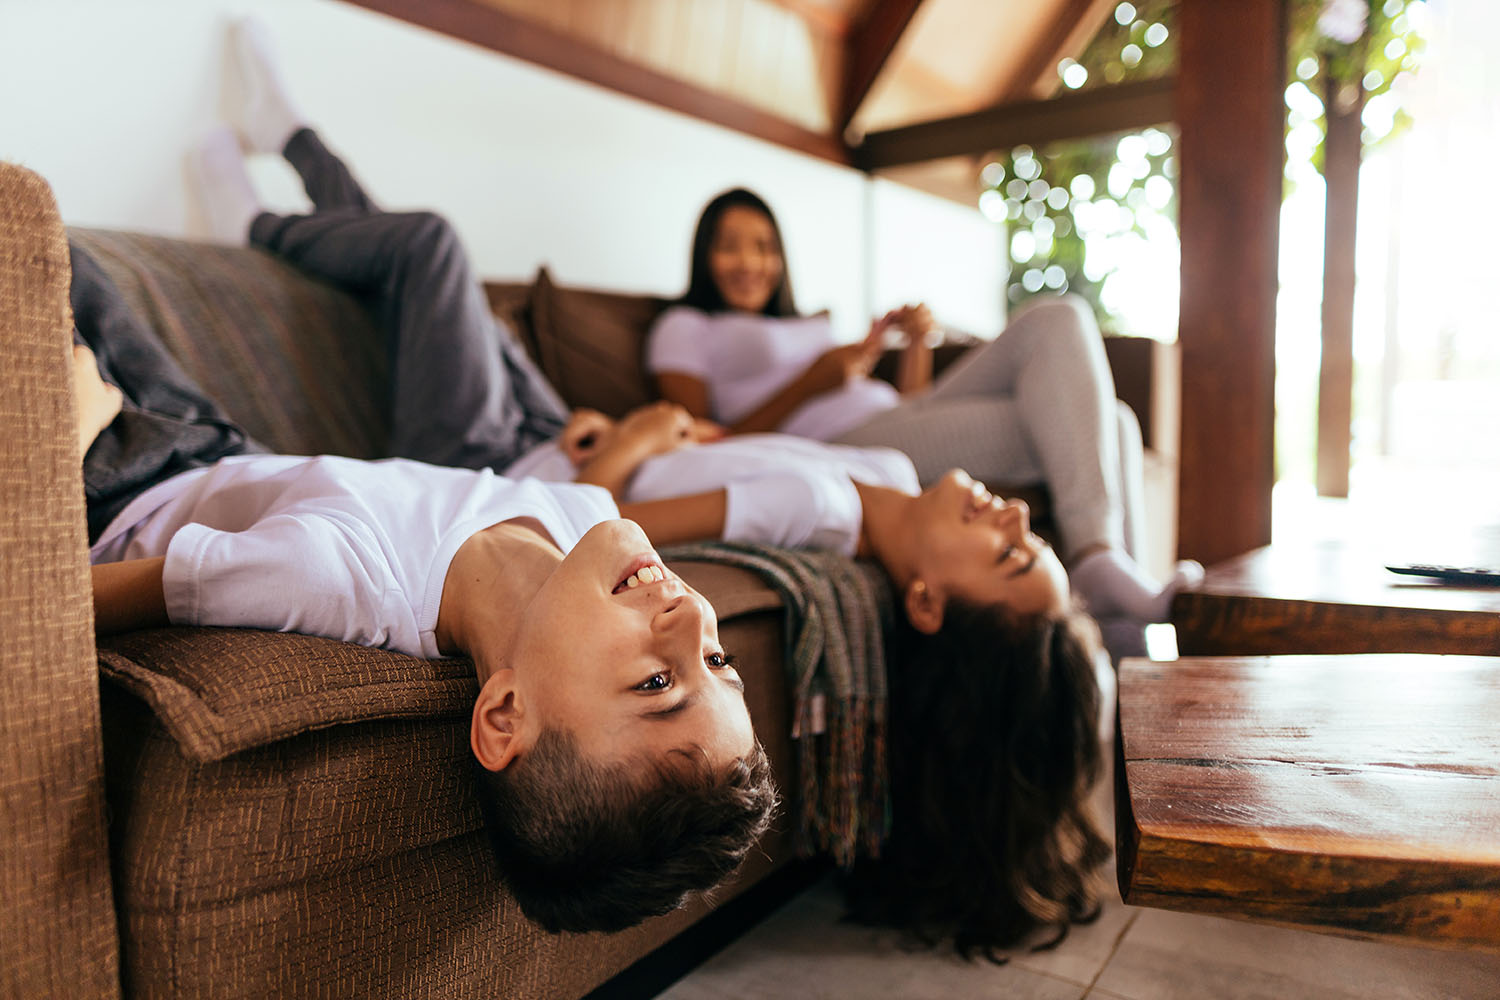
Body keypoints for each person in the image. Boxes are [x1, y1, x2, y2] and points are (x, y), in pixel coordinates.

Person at [79, 17, 1110, 953]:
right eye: (713, 656)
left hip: (151, 471)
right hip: (286, 454)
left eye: (656, 683)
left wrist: (68, 447)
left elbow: (88, 601)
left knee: (67, 269)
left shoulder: (332, 574)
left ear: (504, 715)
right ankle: (276, 164)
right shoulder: (585, 525)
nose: (688, 616)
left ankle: (255, 204)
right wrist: (618, 454)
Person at [647, 187, 1204, 635]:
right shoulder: (683, 327)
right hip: (840, 445)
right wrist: (811, 383)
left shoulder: (800, 322)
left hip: (893, 426)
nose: (750, 262)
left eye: (764, 246)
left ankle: (1112, 588)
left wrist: (916, 346)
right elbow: (697, 437)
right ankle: (1115, 610)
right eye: (731, 246)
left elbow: (905, 408)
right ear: (704, 254)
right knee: (1110, 421)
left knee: (1059, 324)